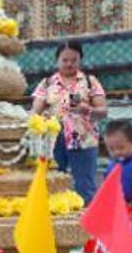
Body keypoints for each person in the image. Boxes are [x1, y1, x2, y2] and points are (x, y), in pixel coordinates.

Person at [31, 41, 108, 204]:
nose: (69, 64)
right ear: (57, 60)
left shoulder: (89, 81)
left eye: (74, 60)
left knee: (85, 185)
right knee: (52, 183)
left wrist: (86, 109)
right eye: (65, 60)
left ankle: (86, 225)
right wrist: (40, 115)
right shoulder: (47, 83)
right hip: (52, 140)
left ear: (80, 60)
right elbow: (35, 112)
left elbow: (103, 111)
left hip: (83, 138)